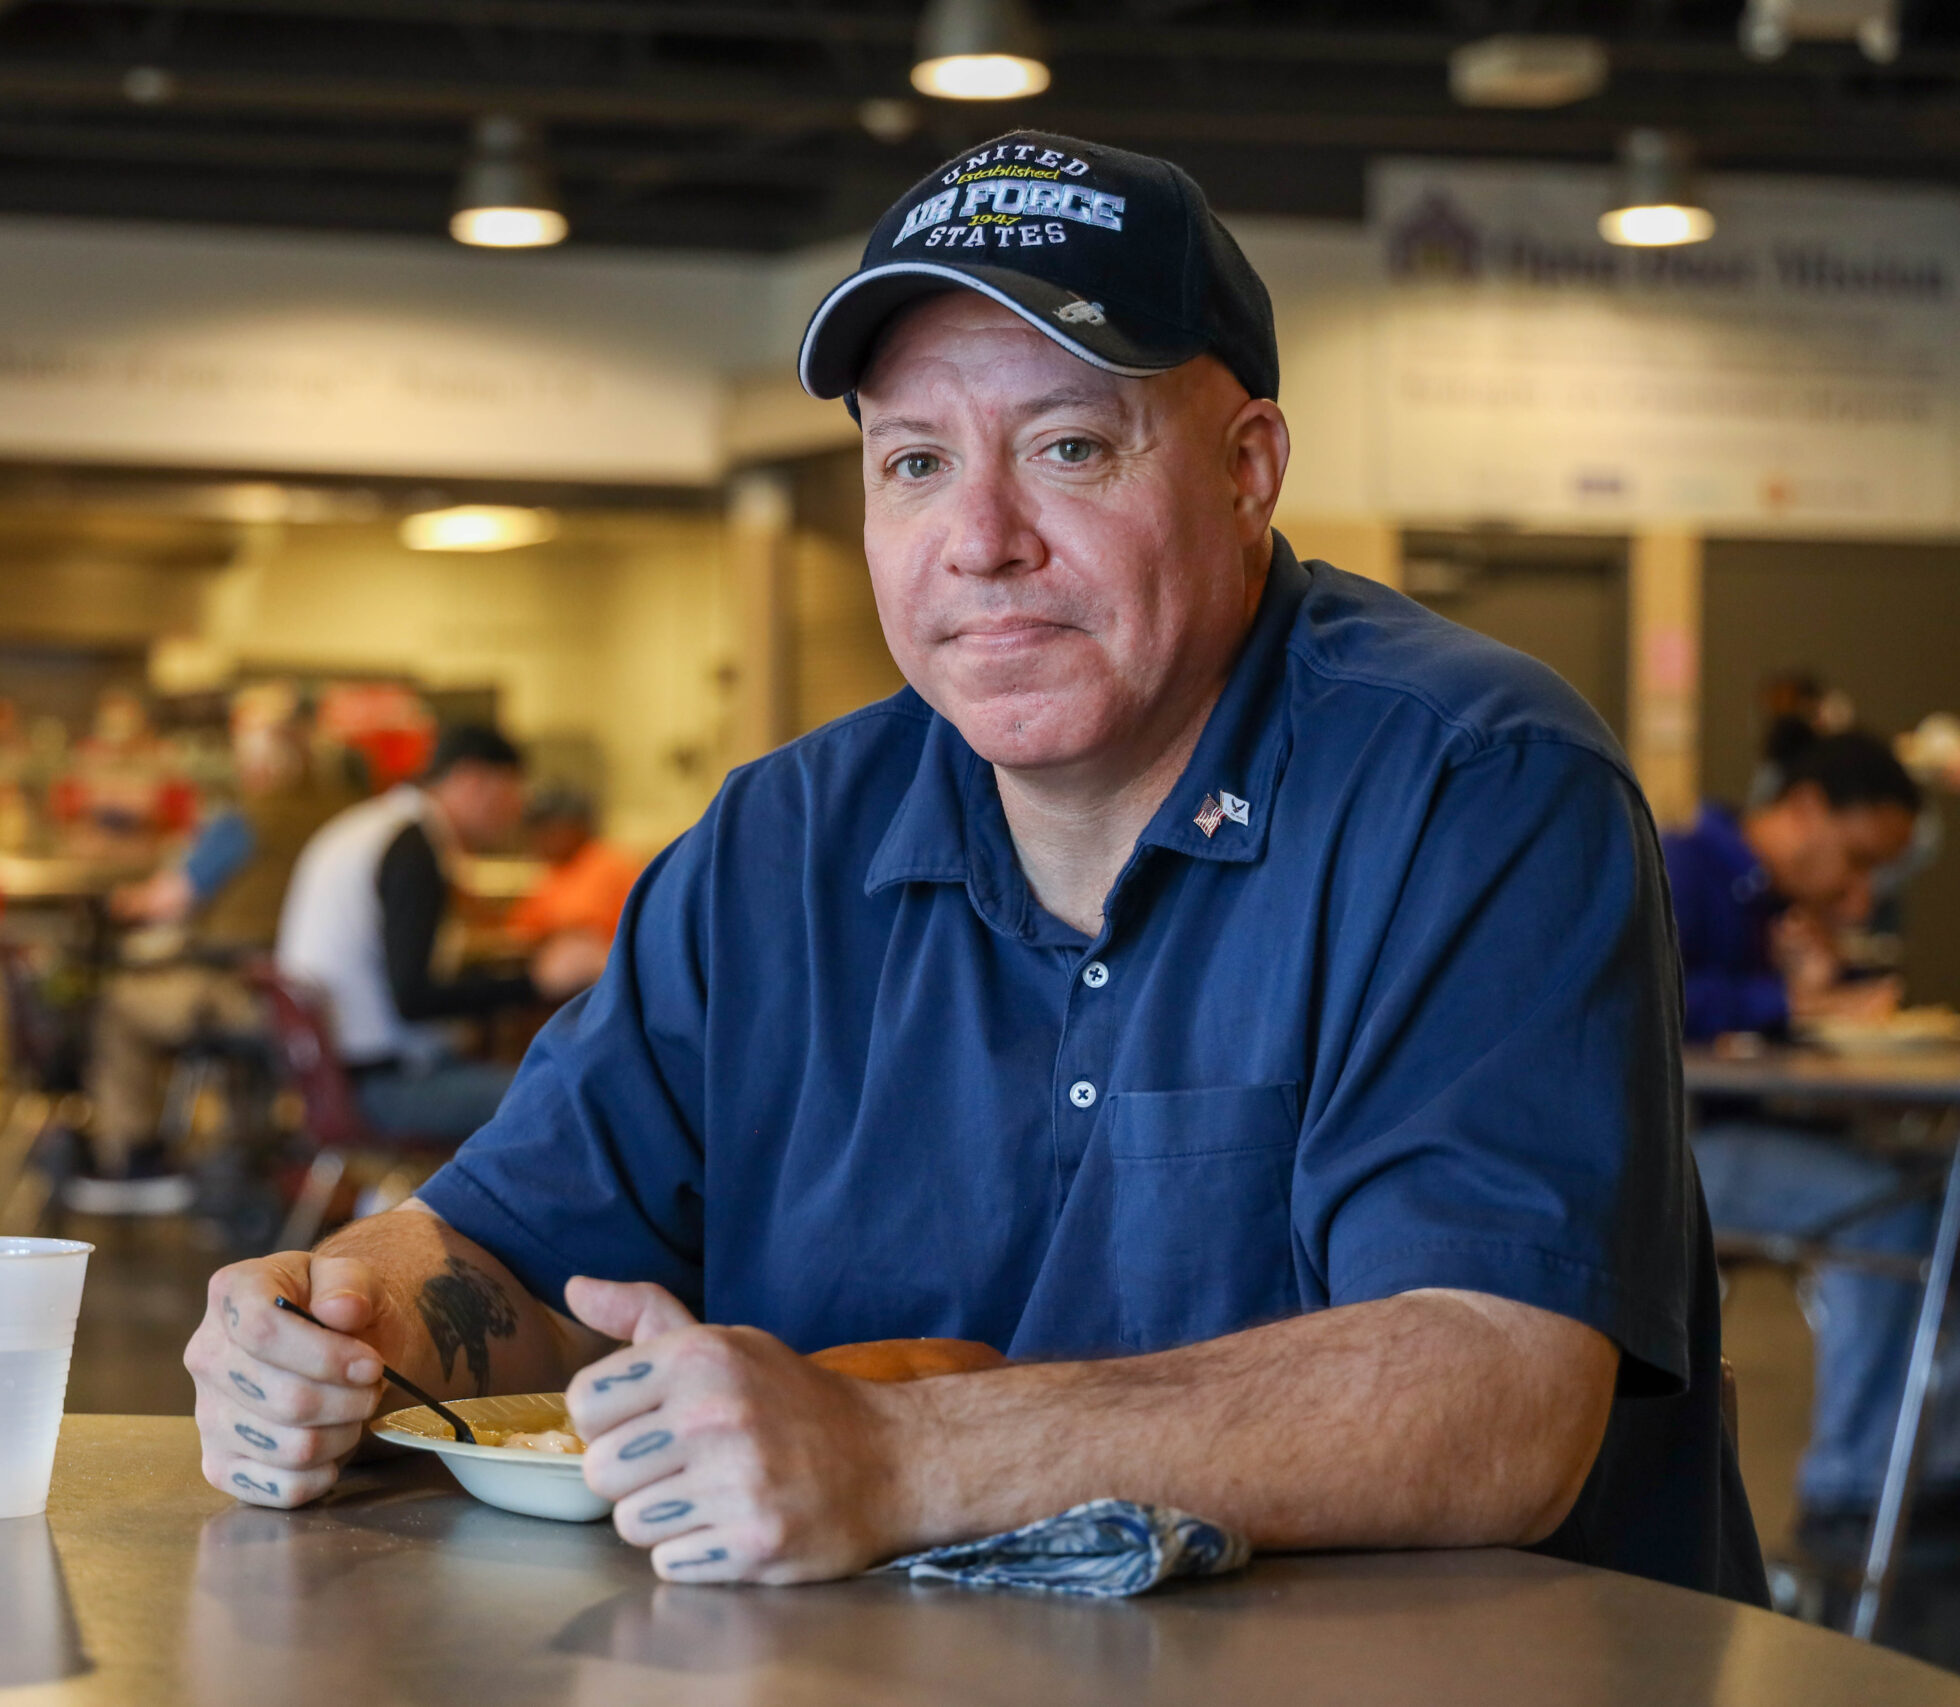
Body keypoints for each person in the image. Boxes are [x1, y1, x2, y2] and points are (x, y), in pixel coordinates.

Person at [185, 131, 1761, 1603]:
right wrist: (338, 1314)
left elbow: (1499, 1392)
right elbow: (511, 1256)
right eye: (915, 462)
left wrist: (901, 1454)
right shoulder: (778, 845)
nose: (981, 538)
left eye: (1069, 447)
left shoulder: (1471, 787)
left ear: (1247, 466)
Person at [1664, 731, 1940, 1553]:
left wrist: (1815, 986)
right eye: (1856, 862)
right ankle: (1851, 1491)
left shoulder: (1765, 895)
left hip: (1744, 1125)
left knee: (1938, 1178)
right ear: (1808, 810)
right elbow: (1661, 994)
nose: (1858, 893)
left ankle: (1930, 1463)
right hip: (1683, 1148)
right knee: (1891, 1214)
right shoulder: (1684, 864)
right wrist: (1782, 1000)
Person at [78, 690, 360, 1198]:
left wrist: (125, 902)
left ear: (260, 768)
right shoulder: (340, 817)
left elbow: (169, 900)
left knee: (120, 1006)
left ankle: (134, 1155)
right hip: (313, 1001)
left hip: (239, 991)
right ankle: (247, 1153)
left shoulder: (243, 822)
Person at [275, 724, 606, 1140]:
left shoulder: (376, 826)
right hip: (381, 1087)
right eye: (511, 793)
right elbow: (414, 998)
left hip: (329, 1079)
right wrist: (536, 981)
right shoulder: (413, 845)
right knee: (569, 1096)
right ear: (471, 780)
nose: (516, 811)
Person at [504, 785, 642, 950]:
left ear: (577, 826)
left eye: (548, 830)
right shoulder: (555, 872)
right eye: (536, 831)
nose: (539, 840)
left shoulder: (605, 864)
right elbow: (522, 928)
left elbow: (583, 926)